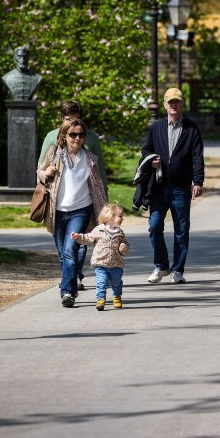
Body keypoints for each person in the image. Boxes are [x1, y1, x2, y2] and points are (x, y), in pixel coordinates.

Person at [37, 117, 107, 308]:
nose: (77, 138)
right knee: (63, 253)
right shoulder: (55, 155)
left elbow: (98, 187)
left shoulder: (90, 159)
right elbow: (39, 172)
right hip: (58, 211)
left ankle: (67, 291)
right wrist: (46, 173)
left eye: (80, 134)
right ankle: (72, 284)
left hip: (80, 211)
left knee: (70, 250)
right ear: (64, 136)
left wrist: (104, 212)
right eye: (72, 134)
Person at [142, 88, 205, 285]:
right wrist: (150, 160)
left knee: (181, 230)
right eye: (170, 102)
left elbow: (197, 157)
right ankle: (161, 266)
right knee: (154, 226)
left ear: (182, 104)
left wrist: (198, 181)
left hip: (181, 187)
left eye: (177, 102)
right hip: (159, 187)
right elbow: (146, 149)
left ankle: (178, 270)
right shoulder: (156, 127)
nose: (173, 105)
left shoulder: (191, 128)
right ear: (164, 105)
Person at [71, 203, 130, 311]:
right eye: (120, 216)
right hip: (100, 263)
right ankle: (100, 300)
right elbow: (88, 238)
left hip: (116, 264)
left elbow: (125, 243)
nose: (122, 219)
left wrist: (123, 246)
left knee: (116, 283)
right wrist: (78, 237)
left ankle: (116, 296)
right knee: (101, 282)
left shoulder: (120, 232)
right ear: (110, 217)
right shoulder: (99, 230)